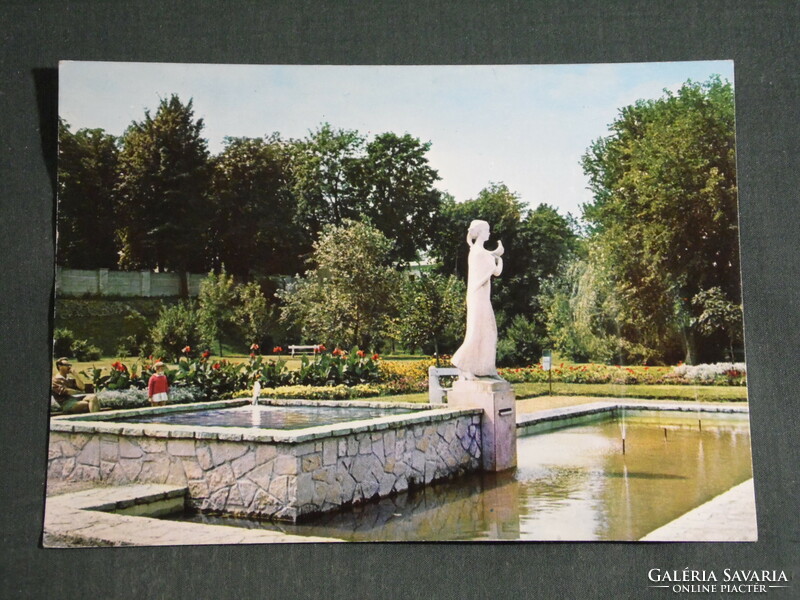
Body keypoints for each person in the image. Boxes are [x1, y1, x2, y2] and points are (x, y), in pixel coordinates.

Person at [451, 220, 504, 379]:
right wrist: (499, 259)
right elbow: (495, 271)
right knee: (476, 331)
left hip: (481, 297)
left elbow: (491, 262)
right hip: (477, 296)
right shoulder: (477, 252)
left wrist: (495, 256)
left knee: (488, 331)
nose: (489, 233)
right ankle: (463, 365)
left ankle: (487, 369)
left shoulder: (479, 251)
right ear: (480, 232)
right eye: (487, 230)